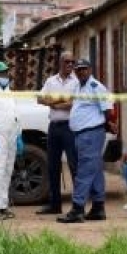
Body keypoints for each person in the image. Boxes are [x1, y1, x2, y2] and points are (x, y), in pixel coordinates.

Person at [57, 59, 117, 223]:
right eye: (78, 69)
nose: (81, 72)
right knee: (94, 170)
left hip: (91, 134)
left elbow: (108, 110)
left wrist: (107, 124)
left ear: (90, 70)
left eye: (84, 69)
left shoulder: (96, 87)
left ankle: (77, 209)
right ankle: (98, 208)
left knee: (83, 171)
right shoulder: (78, 86)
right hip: (81, 134)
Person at [36, 52, 78, 215]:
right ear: (60, 62)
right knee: (53, 166)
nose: (70, 65)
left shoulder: (76, 82)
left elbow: (73, 103)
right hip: (54, 127)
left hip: (69, 127)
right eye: (67, 62)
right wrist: (59, 102)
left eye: (72, 62)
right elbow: (40, 98)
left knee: (74, 165)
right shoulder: (51, 81)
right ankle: (55, 205)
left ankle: (77, 205)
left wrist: (54, 103)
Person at [0, 60, 23, 220]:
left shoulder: (8, 91)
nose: (4, 75)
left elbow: (15, 113)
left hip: (11, 135)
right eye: (1, 72)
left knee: (7, 170)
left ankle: (2, 206)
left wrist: (19, 135)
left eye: (5, 72)